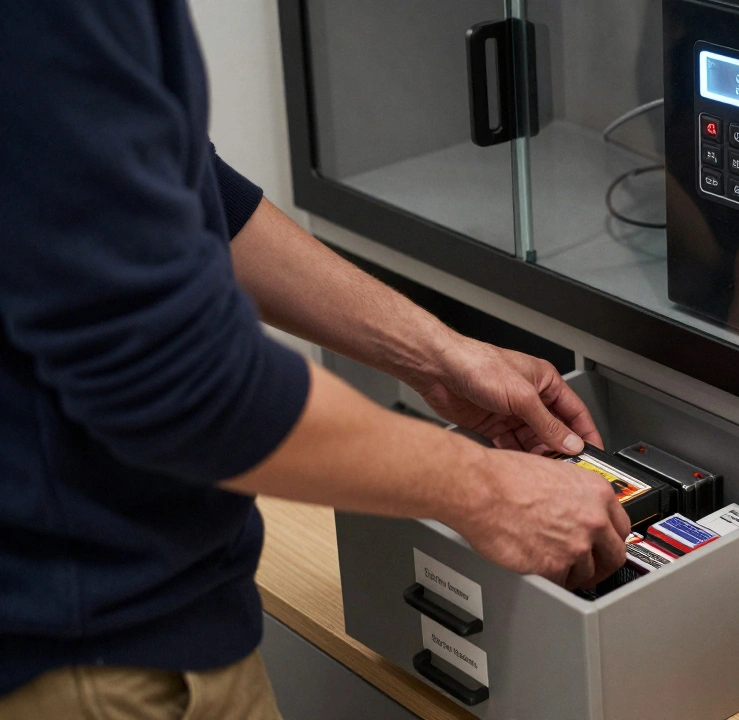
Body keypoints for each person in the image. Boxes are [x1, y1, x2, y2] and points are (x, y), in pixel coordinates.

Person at [0, 3, 628, 718]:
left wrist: (437, 354)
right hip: (88, 656)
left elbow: (188, 188)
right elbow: (179, 378)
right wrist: (488, 491)